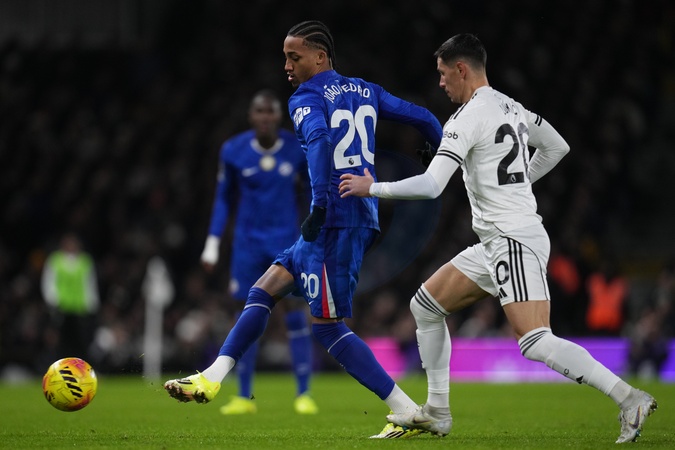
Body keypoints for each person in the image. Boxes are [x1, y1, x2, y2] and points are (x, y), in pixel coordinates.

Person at [338, 33, 657, 443]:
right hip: (496, 240)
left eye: (443, 74)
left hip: (513, 238)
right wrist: (519, 183)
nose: (440, 83)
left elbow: (432, 186)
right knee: (426, 305)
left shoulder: (467, 117)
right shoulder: (511, 107)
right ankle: (437, 412)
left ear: (461, 69)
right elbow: (557, 146)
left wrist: (373, 188)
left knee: (535, 341)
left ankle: (629, 397)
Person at [164, 20, 443, 439]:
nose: (287, 66)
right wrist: (435, 149)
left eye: (294, 57)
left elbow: (320, 141)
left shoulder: (306, 98)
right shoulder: (365, 89)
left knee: (328, 326)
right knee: (264, 289)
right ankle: (211, 377)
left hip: (334, 220)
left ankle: (406, 409)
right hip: (352, 216)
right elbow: (422, 116)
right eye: (285, 58)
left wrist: (319, 204)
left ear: (320, 56)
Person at [199, 89, 318, 415]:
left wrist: (313, 234)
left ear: (279, 116)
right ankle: (243, 396)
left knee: (295, 312)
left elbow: (312, 193)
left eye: (270, 111)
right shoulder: (233, 150)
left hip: (286, 243)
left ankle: (304, 394)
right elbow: (223, 198)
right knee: (245, 314)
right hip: (247, 245)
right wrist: (212, 243)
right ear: (251, 116)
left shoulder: (296, 148)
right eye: (259, 112)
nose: (265, 117)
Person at [41, 232, 100, 361]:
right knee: (59, 341)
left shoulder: (85, 261)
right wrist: (52, 301)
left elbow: (90, 283)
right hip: (61, 307)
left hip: (80, 308)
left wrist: (92, 304)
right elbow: (49, 281)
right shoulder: (55, 259)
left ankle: (81, 367)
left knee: (81, 342)